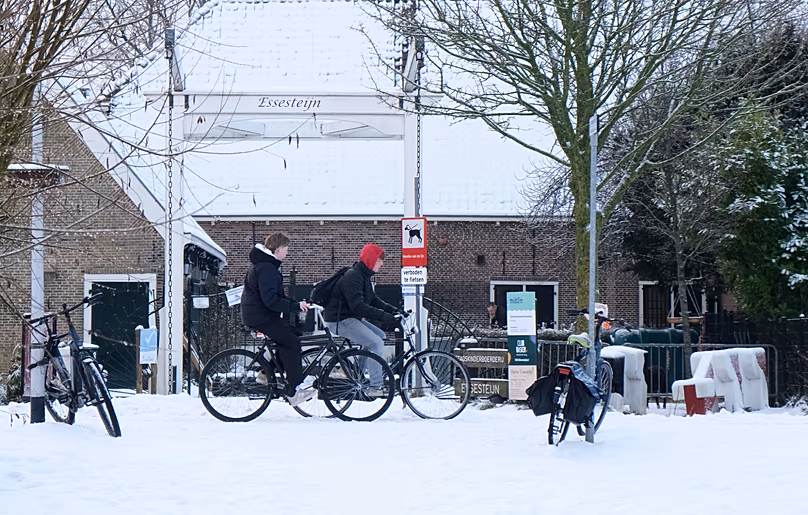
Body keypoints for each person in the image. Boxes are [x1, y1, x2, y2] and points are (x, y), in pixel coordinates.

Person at [240, 233, 315, 407]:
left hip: (260, 315)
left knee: (290, 335)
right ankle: (294, 391)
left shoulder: (265, 266)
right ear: (279, 249)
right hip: (260, 317)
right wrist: (295, 307)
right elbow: (271, 300)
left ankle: (265, 373)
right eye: (286, 249)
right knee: (292, 343)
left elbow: (274, 297)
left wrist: (296, 304)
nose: (287, 253)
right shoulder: (267, 269)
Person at [323, 243, 400, 388]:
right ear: (370, 259)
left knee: (380, 336)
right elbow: (358, 307)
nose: (382, 264)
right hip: (339, 320)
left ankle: (358, 373)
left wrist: (394, 311)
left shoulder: (364, 276)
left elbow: (373, 300)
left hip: (349, 318)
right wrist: (384, 316)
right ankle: (376, 386)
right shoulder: (353, 276)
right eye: (379, 260)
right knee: (375, 343)